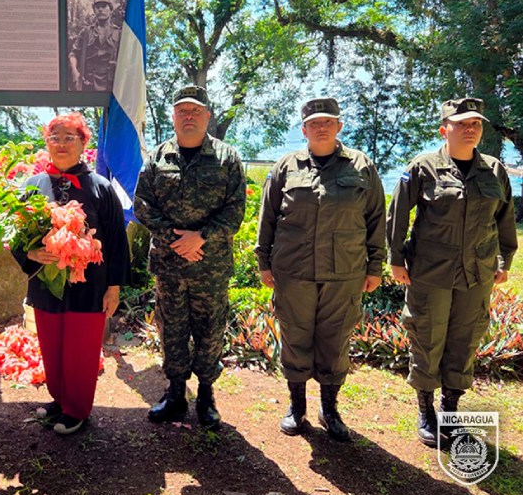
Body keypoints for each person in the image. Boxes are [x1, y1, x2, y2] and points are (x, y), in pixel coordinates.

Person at [387, 98, 517, 447]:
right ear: (445, 129)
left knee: (465, 339)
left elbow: (505, 223)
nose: (471, 128)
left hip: (477, 273)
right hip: (431, 272)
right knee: (427, 337)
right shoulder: (423, 167)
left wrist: (504, 262)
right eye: (463, 123)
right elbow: (397, 215)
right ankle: (426, 409)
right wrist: (396, 259)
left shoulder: (494, 170)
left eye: (476, 123)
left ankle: (451, 408)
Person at [255, 98, 385, 442]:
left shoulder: (361, 166)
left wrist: (375, 266)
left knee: (335, 339)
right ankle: (297, 407)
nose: (322, 127)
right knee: (295, 336)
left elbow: (375, 219)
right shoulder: (287, 166)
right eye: (314, 123)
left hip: (344, 272)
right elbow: (267, 217)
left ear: (339, 126)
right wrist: (263, 262)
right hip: (293, 271)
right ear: (304, 130)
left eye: (328, 121)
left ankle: (330, 409)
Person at [134, 85, 246, 431]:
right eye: (182, 110)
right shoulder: (156, 158)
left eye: (195, 111)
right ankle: (176, 393)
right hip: (169, 264)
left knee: (210, 329)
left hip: (209, 265)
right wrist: (175, 238)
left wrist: (201, 237)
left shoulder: (227, 158)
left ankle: (207, 394)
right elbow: (142, 205)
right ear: (173, 116)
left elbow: (236, 209)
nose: (188, 116)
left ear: (207, 117)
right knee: (172, 329)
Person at [12, 112, 130, 435]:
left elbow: (118, 242)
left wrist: (114, 288)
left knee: (81, 348)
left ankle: (77, 409)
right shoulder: (32, 186)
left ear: (83, 144)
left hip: (89, 287)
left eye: (69, 137)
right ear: (46, 143)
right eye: (55, 137)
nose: (61, 144)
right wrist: (31, 254)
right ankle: (60, 399)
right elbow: (15, 236)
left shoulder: (101, 188)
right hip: (46, 285)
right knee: (52, 347)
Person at [68, 0, 121, 91]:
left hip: (111, 84)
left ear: (111, 9)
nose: (100, 9)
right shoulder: (86, 32)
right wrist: (75, 71)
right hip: (88, 83)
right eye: (97, 7)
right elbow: (73, 54)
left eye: (104, 6)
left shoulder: (119, 33)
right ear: (94, 10)